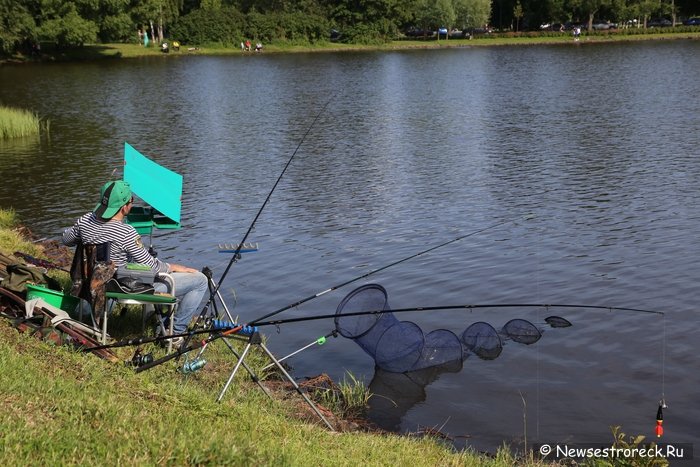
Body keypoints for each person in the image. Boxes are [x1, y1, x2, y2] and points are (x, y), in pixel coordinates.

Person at [62, 180, 207, 346]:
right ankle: (173, 333)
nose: (131, 204)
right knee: (200, 281)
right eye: (131, 201)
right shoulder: (126, 232)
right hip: (120, 287)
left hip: (92, 283)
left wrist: (85, 231)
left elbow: (66, 239)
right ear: (124, 207)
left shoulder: (85, 220)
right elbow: (152, 266)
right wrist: (174, 267)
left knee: (129, 260)